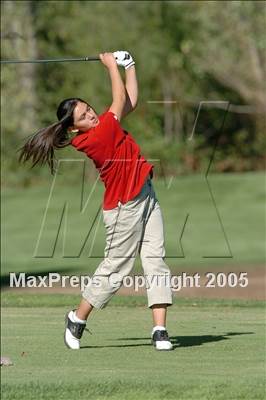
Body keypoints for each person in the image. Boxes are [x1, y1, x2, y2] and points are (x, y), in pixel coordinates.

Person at [19, 51, 173, 351]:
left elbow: (130, 101)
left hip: (146, 195)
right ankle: (77, 318)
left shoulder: (103, 125)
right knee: (116, 268)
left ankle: (159, 329)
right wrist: (111, 66)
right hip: (123, 209)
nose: (91, 114)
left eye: (89, 109)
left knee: (156, 261)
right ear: (75, 128)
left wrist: (130, 66)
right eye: (84, 116)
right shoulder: (96, 137)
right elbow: (118, 101)